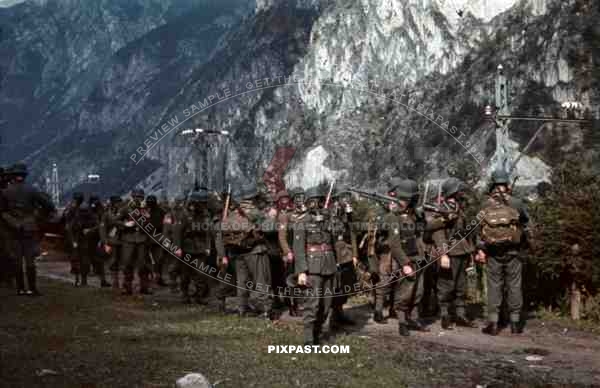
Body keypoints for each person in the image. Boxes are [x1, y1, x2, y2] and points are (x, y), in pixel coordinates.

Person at [477, 170, 529, 335]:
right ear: (507, 185)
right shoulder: (516, 203)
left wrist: (480, 249)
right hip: (514, 252)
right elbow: (526, 222)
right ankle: (515, 324)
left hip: (493, 252)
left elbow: (478, 229)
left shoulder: (486, 204)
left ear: (492, 185)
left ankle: (493, 323)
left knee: (494, 287)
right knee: (514, 286)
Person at [373, 179, 428, 336]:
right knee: (395, 287)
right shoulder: (391, 215)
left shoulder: (414, 214)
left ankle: (413, 318)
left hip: (416, 255)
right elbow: (392, 240)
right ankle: (401, 320)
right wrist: (405, 263)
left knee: (418, 291)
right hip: (396, 255)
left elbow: (422, 229)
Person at [426, 178, 477, 329]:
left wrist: (472, 250)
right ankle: (445, 315)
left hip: (462, 251)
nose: (462, 194)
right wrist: (443, 254)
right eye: (459, 191)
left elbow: (467, 232)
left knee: (461, 286)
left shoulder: (458, 208)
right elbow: (437, 234)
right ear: (452, 192)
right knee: (445, 286)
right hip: (449, 252)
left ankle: (460, 314)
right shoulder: (441, 210)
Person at [0, 163, 55, 295]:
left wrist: (13, 222)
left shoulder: (4, 192)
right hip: (30, 228)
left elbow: (2, 212)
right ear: (24, 176)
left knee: (17, 259)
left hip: (12, 229)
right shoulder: (32, 190)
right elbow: (49, 205)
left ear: (12, 176)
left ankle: (20, 289)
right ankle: (32, 288)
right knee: (30, 260)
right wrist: (37, 217)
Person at [294, 186, 338, 345]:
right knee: (312, 304)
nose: (318, 204)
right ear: (309, 202)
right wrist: (301, 272)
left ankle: (317, 332)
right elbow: (298, 249)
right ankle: (308, 339)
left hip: (329, 265)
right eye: (314, 201)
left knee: (326, 304)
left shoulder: (328, 220)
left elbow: (335, 242)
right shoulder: (302, 222)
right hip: (312, 268)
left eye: (320, 201)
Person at [173, 190, 224, 304]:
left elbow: (208, 233)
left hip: (200, 249)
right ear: (195, 202)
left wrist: (208, 247)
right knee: (185, 274)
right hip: (187, 247)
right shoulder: (185, 214)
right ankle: (185, 295)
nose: (203, 205)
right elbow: (177, 232)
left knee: (201, 274)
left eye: (204, 203)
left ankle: (199, 296)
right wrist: (177, 248)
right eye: (201, 203)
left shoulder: (205, 215)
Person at [330, 190, 358, 330]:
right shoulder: (330, 216)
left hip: (346, 255)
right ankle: (333, 318)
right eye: (342, 199)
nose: (345, 201)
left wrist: (354, 255)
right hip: (335, 256)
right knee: (336, 286)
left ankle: (340, 313)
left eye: (346, 198)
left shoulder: (347, 215)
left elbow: (352, 234)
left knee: (346, 284)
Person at [117, 189, 151, 295]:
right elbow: (116, 220)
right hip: (129, 239)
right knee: (127, 263)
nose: (138, 199)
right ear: (132, 197)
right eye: (136, 196)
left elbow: (151, 223)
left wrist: (145, 216)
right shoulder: (126, 209)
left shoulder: (145, 209)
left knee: (143, 264)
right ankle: (127, 287)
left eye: (140, 197)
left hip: (142, 239)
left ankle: (144, 287)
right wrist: (125, 224)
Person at [100, 195, 123, 290]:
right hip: (112, 241)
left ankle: (122, 282)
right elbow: (102, 229)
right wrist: (105, 243)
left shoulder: (122, 213)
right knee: (113, 262)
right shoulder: (106, 214)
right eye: (117, 203)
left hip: (122, 241)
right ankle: (115, 282)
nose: (119, 204)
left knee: (122, 262)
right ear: (113, 203)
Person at [145, 195, 167, 286]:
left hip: (157, 237)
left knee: (159, 259)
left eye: (151, 202)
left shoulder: (162, 211)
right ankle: (150, 277)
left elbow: (165, 225)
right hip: (146, 237)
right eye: (149, 202)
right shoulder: (144, 211)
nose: (150, 204)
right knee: (146, 259)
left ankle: (158, 277)